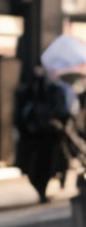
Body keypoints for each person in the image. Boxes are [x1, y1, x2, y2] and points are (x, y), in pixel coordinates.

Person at [15, 66, 71, 203]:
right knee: (38, 166)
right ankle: (42, 189)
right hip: (36, 137)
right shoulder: (28, 93)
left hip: (46, 137)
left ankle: (44, 188)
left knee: (48, 164)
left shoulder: (53, 91)